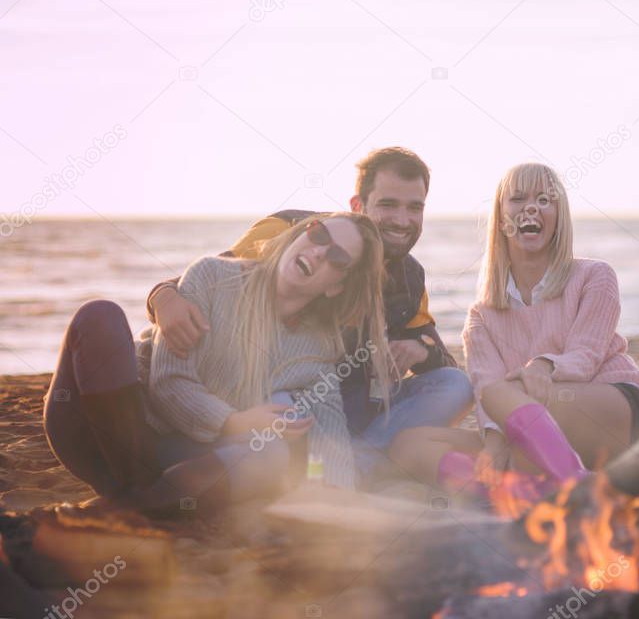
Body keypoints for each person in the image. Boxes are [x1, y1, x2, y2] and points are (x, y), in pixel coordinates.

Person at [145, 147, 473, 482]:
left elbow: (442, 361)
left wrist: (421, 350)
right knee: (284, 400)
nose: (402, 221)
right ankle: (339, 468)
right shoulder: (299, 231)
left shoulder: (410, 277)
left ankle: (352, 465)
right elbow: (216, 278)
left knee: (456, 384)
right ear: (358, 205)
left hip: (353, 404)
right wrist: (161, 297)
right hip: (284, 391)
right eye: (388, 204)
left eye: (414, 208)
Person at [43, 214, 391, 511]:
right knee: (100, 315)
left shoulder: (318, 350)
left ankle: (137, 504)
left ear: (336, 286)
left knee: (271, 458)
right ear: (300, 233)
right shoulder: (212, 276)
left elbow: (329, 433)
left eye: (337, 257)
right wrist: (236, 422)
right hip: (104, 429)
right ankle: (141, 495)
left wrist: (335, 491)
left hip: (174, 458)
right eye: (318, 233)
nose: (317, 250)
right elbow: (167, 387)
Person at [389, 163, 639, 499]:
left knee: (505, 397)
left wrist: (544, 366)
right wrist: (494, 447)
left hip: (607, 408)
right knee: (408, 444)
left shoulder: (594, 276)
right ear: (500, 218)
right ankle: (521, 490)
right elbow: (485, 387)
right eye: (518, 198)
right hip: (526, 421)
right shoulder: (481, 316)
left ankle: (570, 484)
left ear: (559, 216)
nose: (531, 207)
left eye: (544, 199)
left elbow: (585, 358)